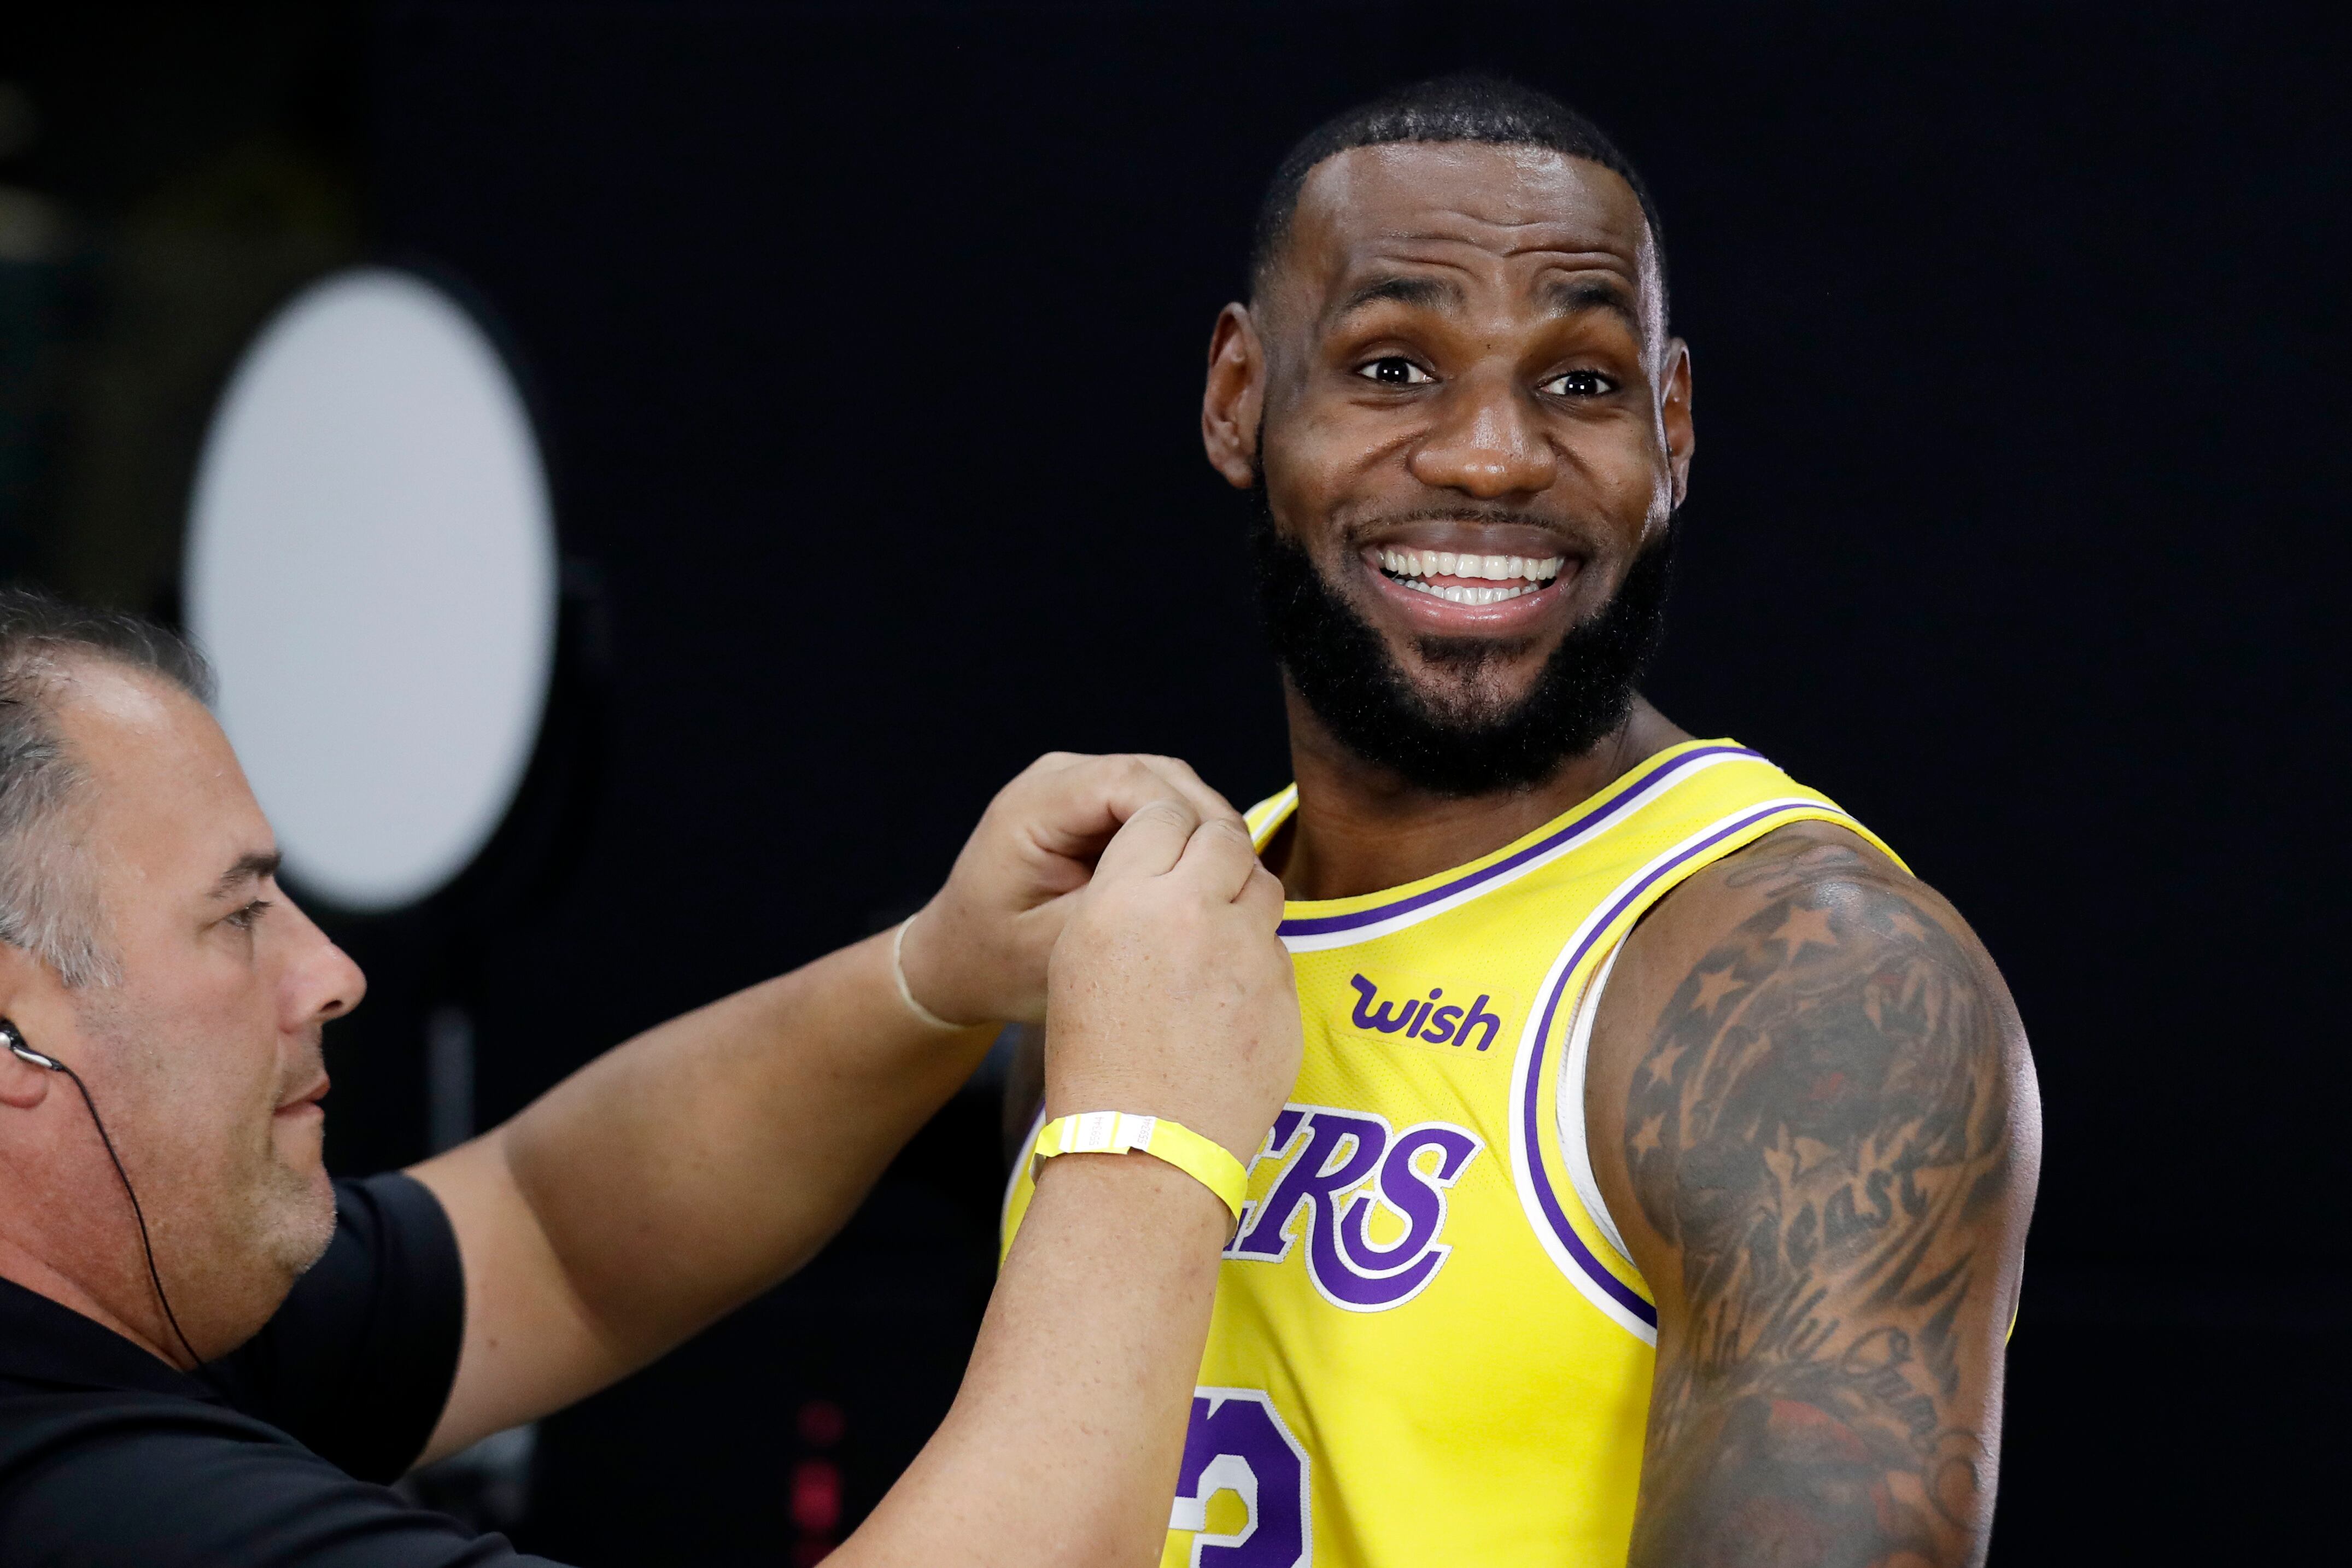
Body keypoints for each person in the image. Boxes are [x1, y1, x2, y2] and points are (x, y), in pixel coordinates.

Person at [1002, 74, 2041, 1567]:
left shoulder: (1815, 992)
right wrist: (912, 971)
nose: (1490, 455)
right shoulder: (1148, 929)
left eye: (1578, 384)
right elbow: (565, 1242)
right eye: (1389, 367)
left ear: (1669, 431)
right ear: (1238, 398)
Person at [0, 588, 1304, 1567]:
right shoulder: (79, 1498)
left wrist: (934, 975)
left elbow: (549, 1235)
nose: (331, 971)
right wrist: (1149, 1144)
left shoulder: (129, 1303)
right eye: (237, 919)